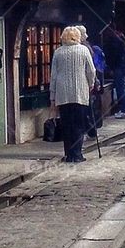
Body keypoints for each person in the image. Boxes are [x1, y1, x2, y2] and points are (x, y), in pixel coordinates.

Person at [50, 26, 96, 162]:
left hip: (62, 94)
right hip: (80, 93)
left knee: (67, 124)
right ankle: (77, 154)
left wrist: (52, 96)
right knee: (78, 124)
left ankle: (69, 153)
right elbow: (91, 70)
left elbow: (53, 75)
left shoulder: (58, 52)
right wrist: (90, 83)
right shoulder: (84, 50)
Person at [77, 25, 105, 136]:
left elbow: (92, 68)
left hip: (87, 83)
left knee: (88, 108)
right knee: (88, 107)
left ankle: (90, 128)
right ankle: (90, 129)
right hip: (87, 83)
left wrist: (94, 81)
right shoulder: (86, 47)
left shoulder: (86, 48)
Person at [102, 24, 125, 117]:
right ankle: (124, 108)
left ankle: (124, 110)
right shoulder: (120, 38)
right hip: (122, 66)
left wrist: (111, 66)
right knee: (122, 87)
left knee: (120, 87)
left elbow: (112, 55)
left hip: (118, 66)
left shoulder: (112, 40)